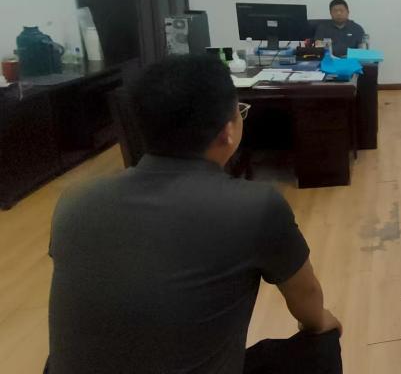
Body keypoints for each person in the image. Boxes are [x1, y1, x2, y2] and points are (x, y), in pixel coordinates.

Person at [47, 55, 343, 374]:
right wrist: (324, 323)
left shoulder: (74, 200)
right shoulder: (256, 206)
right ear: (228, 131)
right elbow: (308, 300)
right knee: (323, 341)